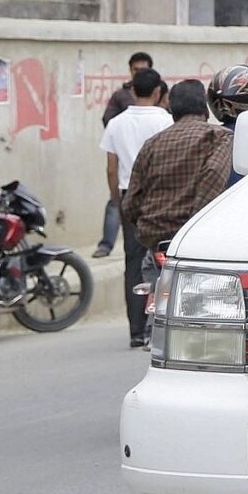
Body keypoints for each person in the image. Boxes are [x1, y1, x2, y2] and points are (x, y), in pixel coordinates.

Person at [121, 79, 235, 347]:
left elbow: (130, 203)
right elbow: (213, 178)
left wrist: (147, 223)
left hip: (155, 242)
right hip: (193, 243)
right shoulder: (218, 138)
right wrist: (193, 226)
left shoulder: (152, 144)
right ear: (206, 109)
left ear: (171, 109)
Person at [99, 68, 169, 342]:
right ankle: (158, 325)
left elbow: (110, 168)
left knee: (133, 261)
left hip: (130, 195)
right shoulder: (164, 120)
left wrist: (118, 200)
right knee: (163, 261)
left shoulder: (116, 123)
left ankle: (136, 330)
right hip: (159, 195)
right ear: (157, 92)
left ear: (132, 91)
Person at [95, 49, 155, 254]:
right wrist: (127, 130)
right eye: (135, 69)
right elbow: (107, 119)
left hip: (152, 175)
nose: (138, 73)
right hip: (127, 168)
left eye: (142, 70)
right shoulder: (121, 96)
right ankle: (106, 244)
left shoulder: (159, 96)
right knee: (116, 204)